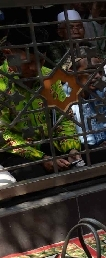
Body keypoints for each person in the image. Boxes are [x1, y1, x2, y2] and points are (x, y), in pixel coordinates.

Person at [0, 28, 82, 181]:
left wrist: (71, 148)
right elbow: (3, 135)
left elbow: (63, 116)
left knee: (95, 159)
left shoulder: (49, 76)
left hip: (49, 145)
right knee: (34, 176)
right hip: (13, 152)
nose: (34, 68)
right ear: (8, 53)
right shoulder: (1, 84)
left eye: (40, 61)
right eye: (28, 62)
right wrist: (41, 158)